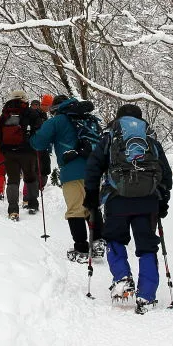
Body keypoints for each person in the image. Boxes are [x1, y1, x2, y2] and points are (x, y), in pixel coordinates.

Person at [84, 103, 172, 314]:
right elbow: (165, 173)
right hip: (148, 200)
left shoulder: (110, 135)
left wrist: (91, 196)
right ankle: (147, 295)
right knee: (147, 245)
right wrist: (163, 200)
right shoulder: (150, 138)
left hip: (117, 199)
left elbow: (93, 167)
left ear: (118, 117)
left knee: (114, 238)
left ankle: (122, 278)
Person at [30, 94, 105, 263]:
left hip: (72, 172)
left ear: (56, 108)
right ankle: (98, 242)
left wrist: (32, 133)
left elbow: (38, 143)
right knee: (92, 206)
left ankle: (81, 249)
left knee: (75, 209)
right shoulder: (87, 118)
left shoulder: (57, 121)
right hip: (94, 169)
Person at [0, 90, 43, 220]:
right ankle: (32, 203)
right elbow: (39, 131)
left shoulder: (5, 113)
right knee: (30, 177)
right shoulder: (31, 113)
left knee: (12, 180)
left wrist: (4, 150)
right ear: (25, 99)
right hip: (28, 152)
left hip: (9, 153)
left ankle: (13, 210)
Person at [30, 98, 51, 193]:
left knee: (44, 167)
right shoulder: (33, 115)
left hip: (42, 145)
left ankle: (39, 186)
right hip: (34, 145)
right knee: (35, 168)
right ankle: (33, 190)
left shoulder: (43, 115)